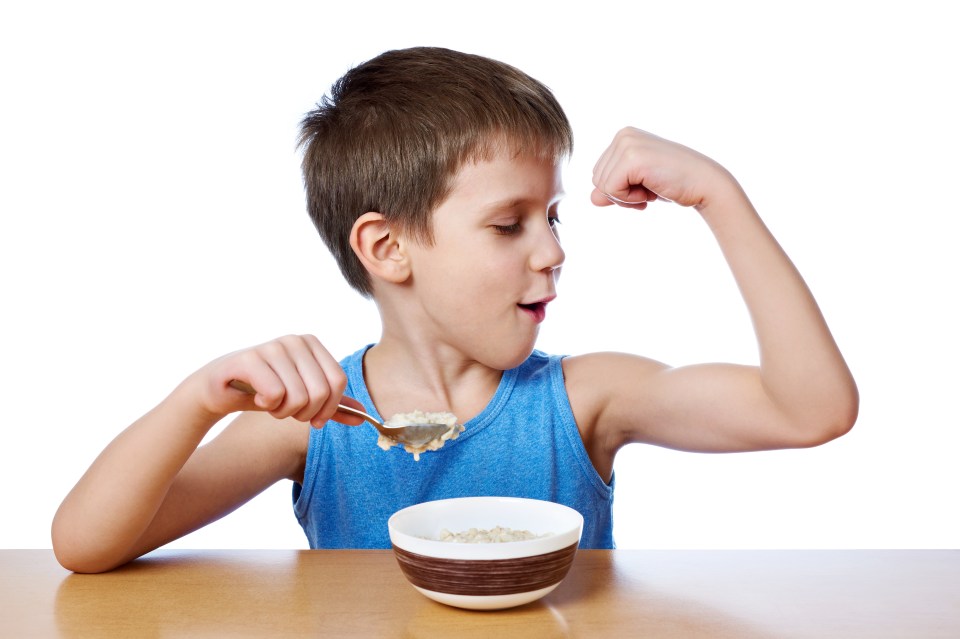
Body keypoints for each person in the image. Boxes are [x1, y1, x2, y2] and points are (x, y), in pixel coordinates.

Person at [52, 47, 858, 573]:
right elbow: (85, 545)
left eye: (553, 215)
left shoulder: (584, 402)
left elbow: (811, 409)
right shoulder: (320, 418)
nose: (551, 251)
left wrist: (720, 195)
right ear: (388, 248)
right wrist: (199, 399)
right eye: (509, 224)